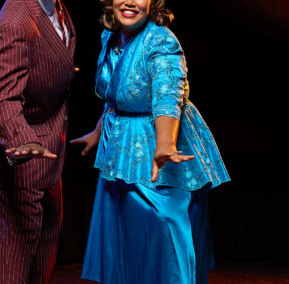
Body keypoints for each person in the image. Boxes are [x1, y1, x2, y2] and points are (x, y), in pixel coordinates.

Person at [71, 0, 230, 283]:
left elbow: (169, 94)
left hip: (157, 146)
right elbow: (116, 95)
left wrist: (166, 142)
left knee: (163, 230)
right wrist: (97, 133)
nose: (130, 1)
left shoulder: (162, 41)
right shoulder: (111, 35)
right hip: (120, 149)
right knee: (127, 238)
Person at [0, 0, 76, 283]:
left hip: (50, 151)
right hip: (22, 159)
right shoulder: (15, 21)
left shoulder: (54, 6)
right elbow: (2, 98)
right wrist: (22, 140)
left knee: (42, 266)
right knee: (15, 271)